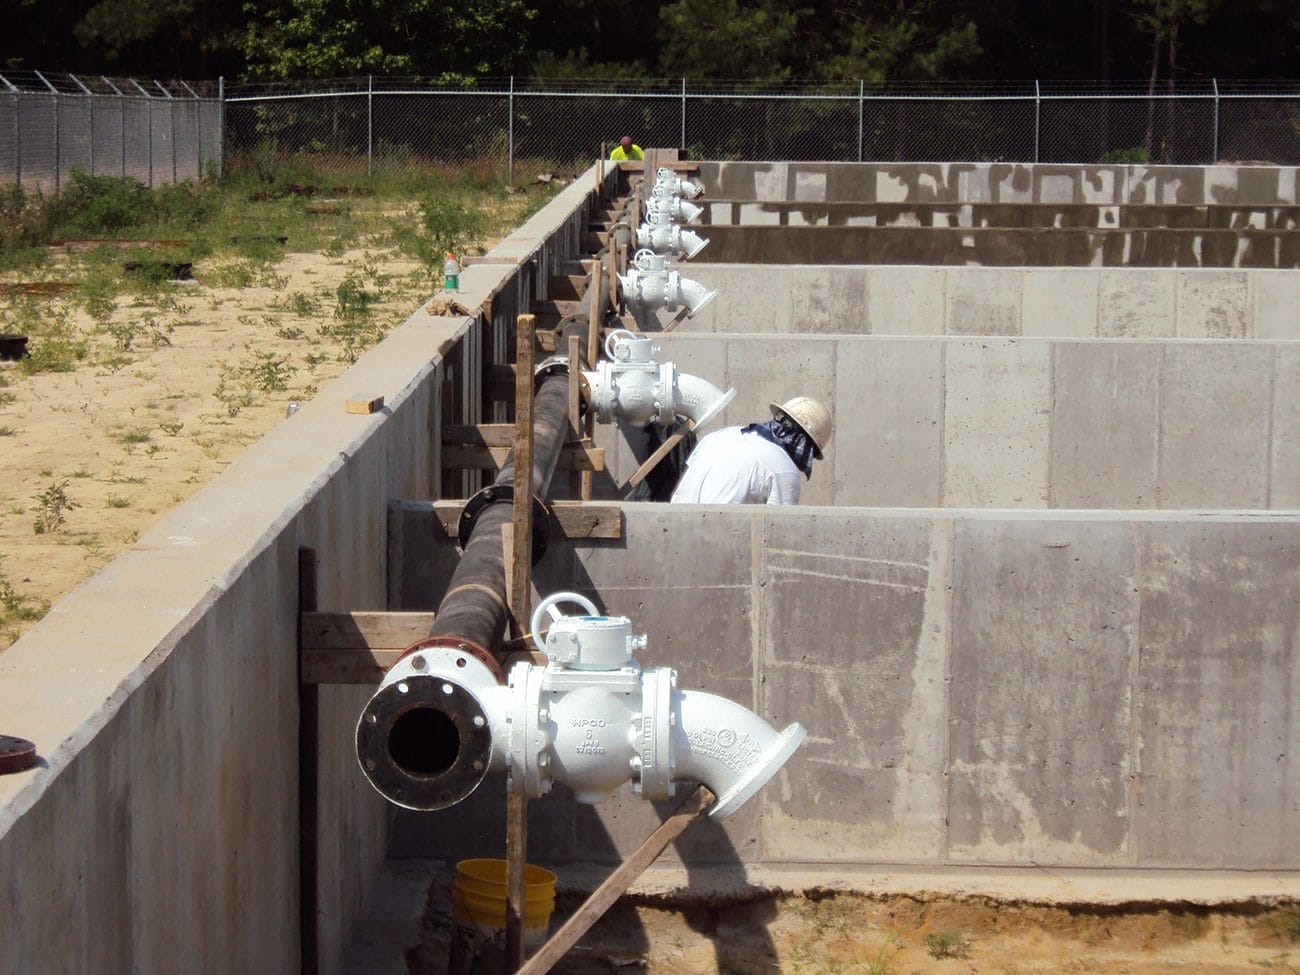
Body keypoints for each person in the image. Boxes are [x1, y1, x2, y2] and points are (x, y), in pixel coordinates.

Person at [670, 396, 832, 505]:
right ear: (805, 445)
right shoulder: (784, 470)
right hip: (720, 548)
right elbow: (778, 532)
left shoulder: (718, 437)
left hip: (673, 539)